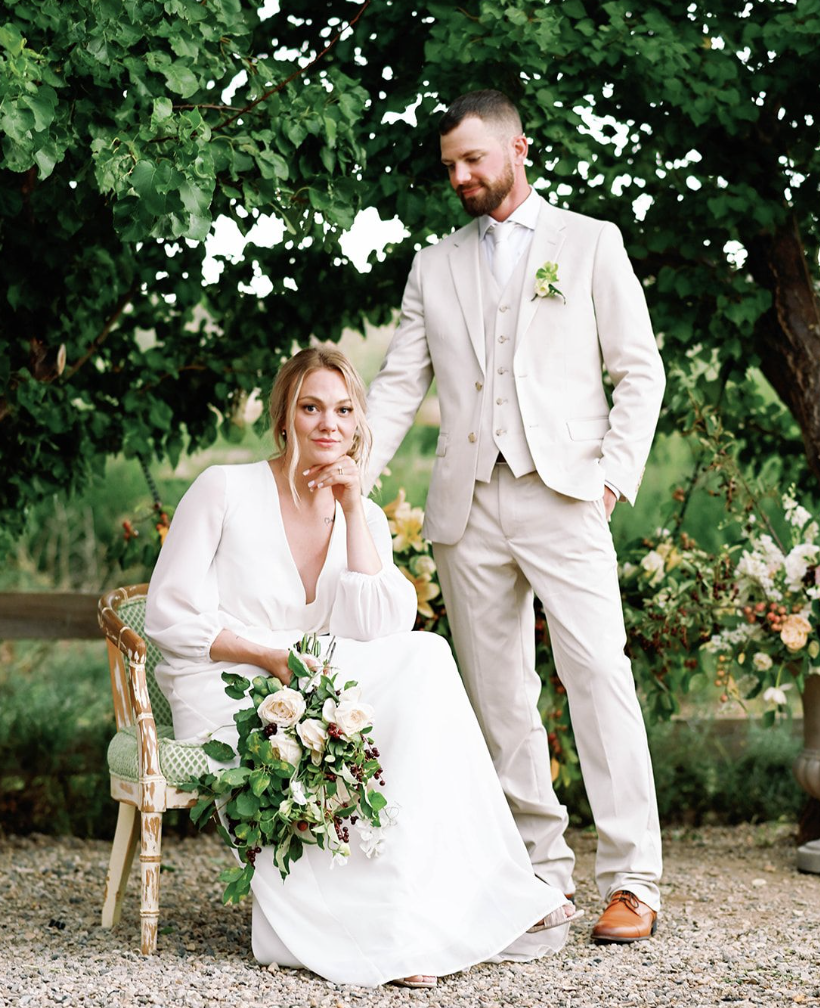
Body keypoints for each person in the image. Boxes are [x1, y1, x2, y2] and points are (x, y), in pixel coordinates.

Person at [145, 345, 581, 989]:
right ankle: (388, 931)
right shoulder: (224, 488)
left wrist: (352, 509)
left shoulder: (364, 515)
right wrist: (268, 656)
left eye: (344, 410)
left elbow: (377, 629)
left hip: (317, 679)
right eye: (311, 406)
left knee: (425, 660)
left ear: (359, 423)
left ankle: (449, 903)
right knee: (415, 673)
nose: (328, 423)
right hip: (226, 682)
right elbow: (168, 616)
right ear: (285, 417)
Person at [363, 90, 666, 943]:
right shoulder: (434, 264)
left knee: (599, 678)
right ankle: (539, 877)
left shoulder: (591, 243)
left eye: (473, 160)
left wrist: (609, 480)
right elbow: (398, 387)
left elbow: (639, 372)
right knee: (500, 699)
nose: (460, 177)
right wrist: (353, 475)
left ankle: (634, 880)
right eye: (450, 166)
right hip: (467, 503)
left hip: (565, 492)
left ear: (517, 149)